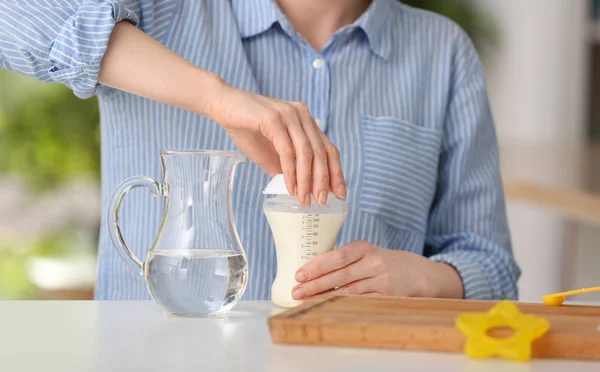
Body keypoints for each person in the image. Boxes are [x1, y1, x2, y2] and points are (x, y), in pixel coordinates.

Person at [0, 0, 520, 301]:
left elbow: (490, 265)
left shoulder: (442, 53)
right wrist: (217, 99)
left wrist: (423, 277)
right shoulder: (158, 12)